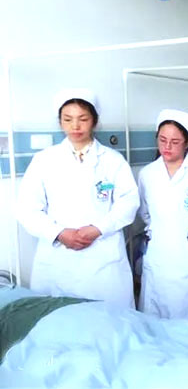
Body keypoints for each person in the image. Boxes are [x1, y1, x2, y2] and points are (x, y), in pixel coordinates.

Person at [17, 88, 139, 308]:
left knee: (109, 321)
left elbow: (128, 202)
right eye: (68, 119)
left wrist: (98, 229)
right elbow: (28, 209)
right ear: (60, 122)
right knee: (60, 320)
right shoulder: (44, 160)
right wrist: (60, 233)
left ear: (94, 121)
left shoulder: (113, 161)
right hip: (59, 258)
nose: (75, 126)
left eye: (83, 119)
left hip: (102, 256)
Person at [138, 109, 188, 327]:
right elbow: (145, 212)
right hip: (160, 254)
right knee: (158, 323)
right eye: (162, 140)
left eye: (175, 142)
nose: (167, 147)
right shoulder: (147, 174)